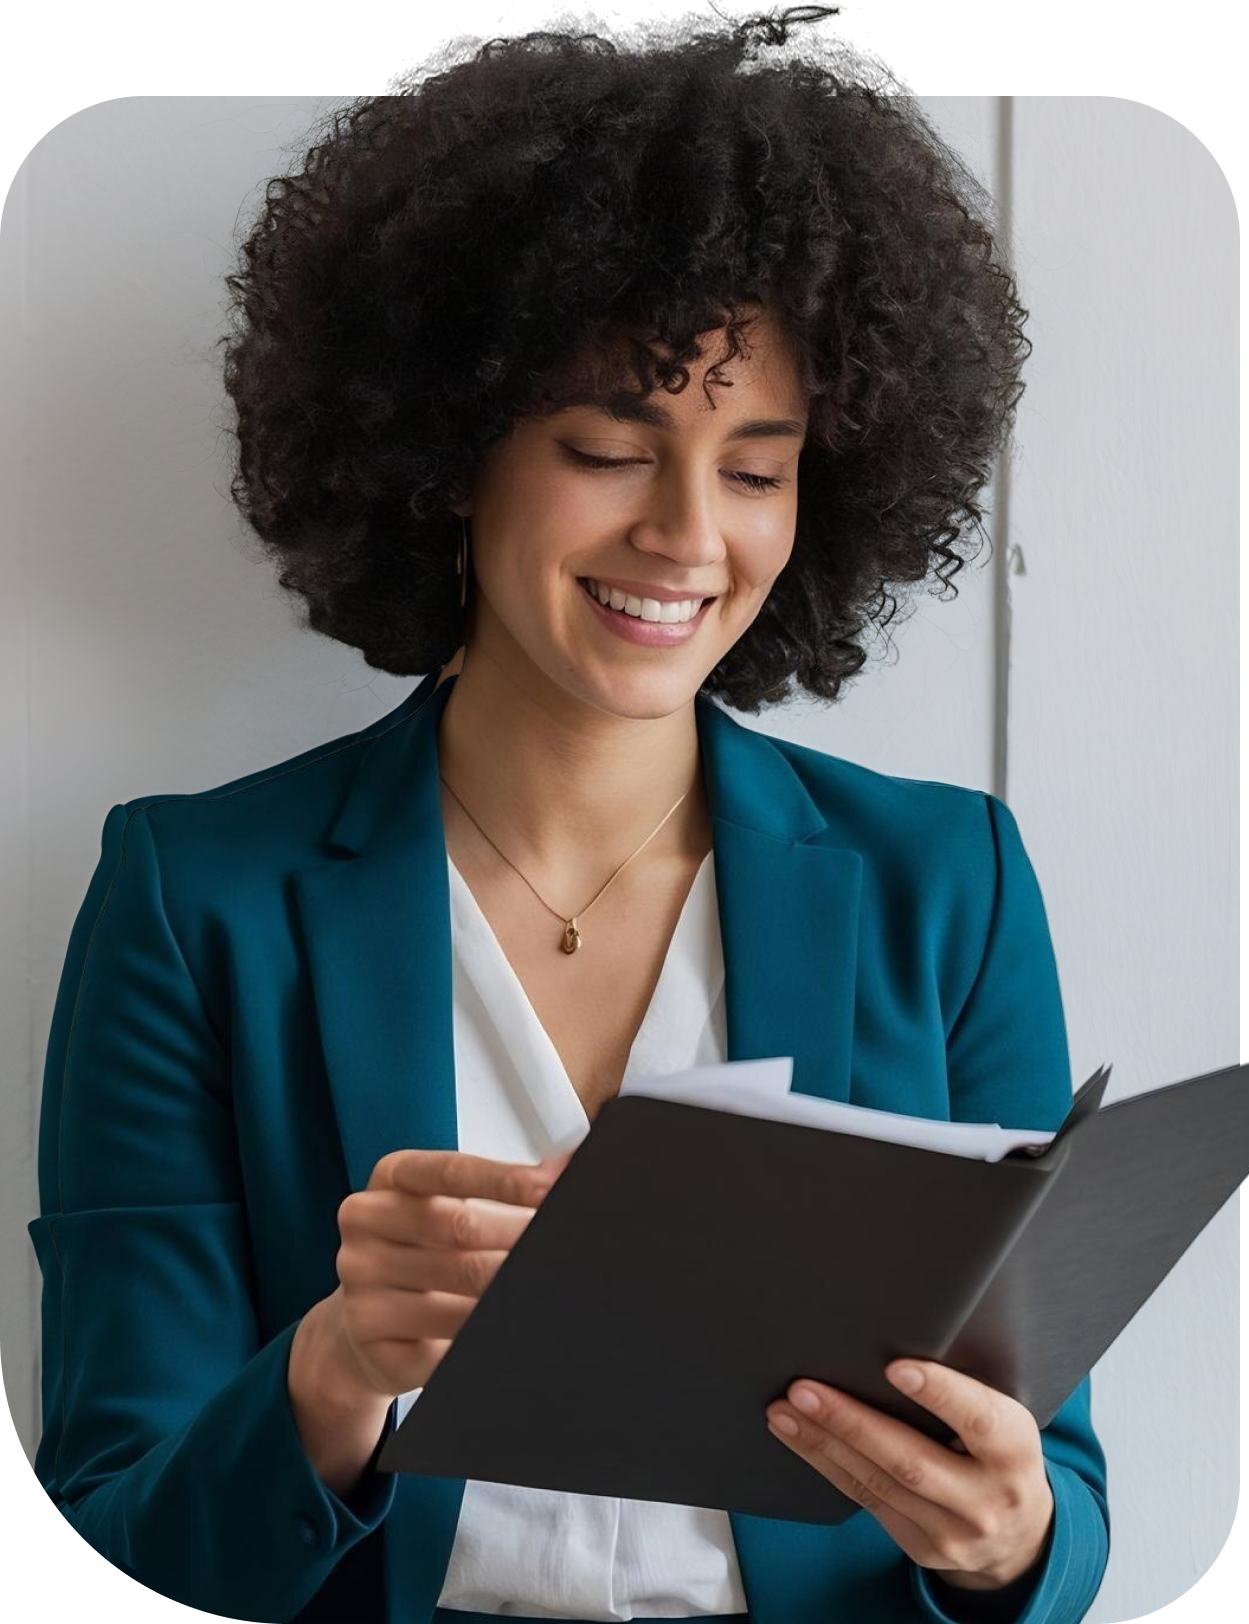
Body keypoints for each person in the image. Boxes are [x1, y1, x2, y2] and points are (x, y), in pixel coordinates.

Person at [27, 8, 1109, 1623]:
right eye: (610, 447)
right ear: (451, 452)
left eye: (758, 468)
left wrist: (1008, 1537)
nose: (686, 536)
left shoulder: (945, 882)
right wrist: (331, 1371)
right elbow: (126, 1524)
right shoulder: (197, 899)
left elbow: (1062, 1501)